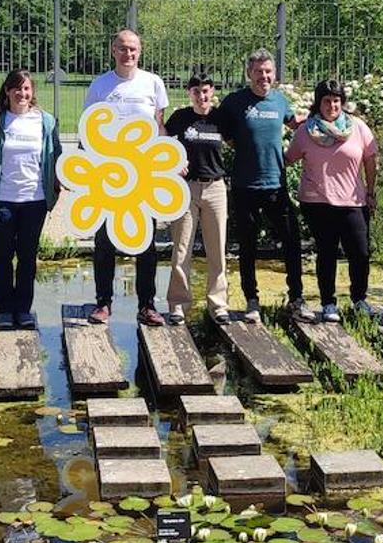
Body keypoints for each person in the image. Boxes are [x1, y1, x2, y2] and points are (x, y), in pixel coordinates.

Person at [218, 48, 310, 323]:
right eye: (258, 72)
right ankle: (252, 301)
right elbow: (222, 131)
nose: (264, 76)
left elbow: (294, 124)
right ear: (249, 74)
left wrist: (315, 120)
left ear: (274, 74)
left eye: (268, 72)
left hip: (276, 185)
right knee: (247, 246)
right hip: (245, 186)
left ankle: (296, 298)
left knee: (292, 242)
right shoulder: (235, 102)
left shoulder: (280, 101)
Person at [84, 29, 168, 327]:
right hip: (108, 177)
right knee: (104, 241)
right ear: (113, 51)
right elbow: (88, 132)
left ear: (140, 52)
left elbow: (160, 128)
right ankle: (103, 303)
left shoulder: (153, 83)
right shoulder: (100, 86)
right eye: (122, 48)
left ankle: (147, 305)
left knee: (146, 242)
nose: (128, 54)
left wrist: (172, 162)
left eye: (133, 49)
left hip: (144, 177)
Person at [0, 70, 62, 331]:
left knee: (27, 256)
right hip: (2, 201)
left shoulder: (46, 122)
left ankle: (23, 309)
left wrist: (56, 184)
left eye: (27, 89)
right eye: (17, 89)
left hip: (34, 200)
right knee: (2, 256)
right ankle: (5, 310)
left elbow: (57, 156)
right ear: (7, 92)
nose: (22, 94)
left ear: (32, 92)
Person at [285, 80, 380, 323]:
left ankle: (359, 299)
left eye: (336, 100)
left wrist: (371, 191)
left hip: (353, 200)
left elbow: (370, 159)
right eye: (327, 101)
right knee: (326, 253)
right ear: (319, 103)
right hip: (318, 201)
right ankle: (328, 302)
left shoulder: (357, 127)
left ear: (342, 103)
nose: (332, 105)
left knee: (360, 252)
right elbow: (287, 159)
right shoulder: (306, 131)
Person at [164, 73, 229, 325]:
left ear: (212, 92)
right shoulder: (181, 118)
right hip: (186, 189)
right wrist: (173, 163)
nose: (202, 96)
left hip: (215, 188)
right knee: (181, 248)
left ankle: (218, 304)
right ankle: (178, 305)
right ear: (189, 93)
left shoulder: (220, 118)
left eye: (206, 91)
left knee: (217, 249)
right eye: (196, 91)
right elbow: (162, 141)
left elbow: (236, 142)